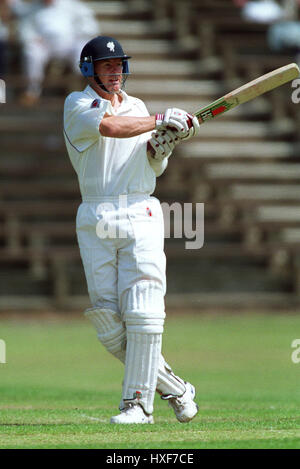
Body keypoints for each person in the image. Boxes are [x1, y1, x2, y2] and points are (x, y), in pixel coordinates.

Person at [63, 35, 200, 424]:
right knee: (109, 325)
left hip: (140, 209)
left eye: (120, 64)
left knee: (143, 310)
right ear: (89, 69)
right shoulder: (77, 104)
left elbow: (150, 162)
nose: (116, 71)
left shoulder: (137, 106)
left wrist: (163, 144)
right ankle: (177, 388)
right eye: (107, 65)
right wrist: (160, 120)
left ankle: (137, 404)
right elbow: (110, 127)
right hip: (96, 213)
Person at [8, 0, 99, 106]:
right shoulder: (33, 8)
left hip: (70, 43)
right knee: (31, 52)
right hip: (44, 46)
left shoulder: (72, 5)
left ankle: (82, 89)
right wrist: (32, 38)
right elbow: (25, 29)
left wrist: (79, 34)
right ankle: (32, 92)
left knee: (82, 49)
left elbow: (88, 24)